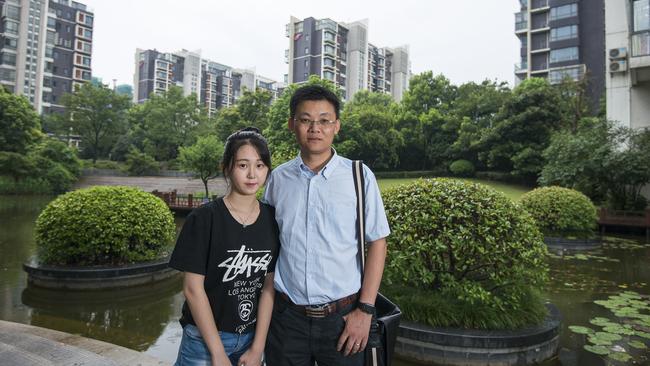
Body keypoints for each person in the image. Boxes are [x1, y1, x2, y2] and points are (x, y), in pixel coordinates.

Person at [263, 85, 390, 365]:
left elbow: (378, 242)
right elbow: (268, 247)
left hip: (343, 320)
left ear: (337, 126)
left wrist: (365, 311)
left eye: (324, 120)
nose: (314, 128)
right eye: (305, 119)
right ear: (292, 125)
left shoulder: (359, 176)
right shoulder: (277, 180)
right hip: (286, 321)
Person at [170, 127, 279, 366]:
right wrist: (217, 353)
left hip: (251, 340)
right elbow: (192, 289)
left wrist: (258, 347)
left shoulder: (272, 219)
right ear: (227, 168)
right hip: (203, 343)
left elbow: (269, 287)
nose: (252, 174)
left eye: (260, 165)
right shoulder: (204, 218)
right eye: (243, 165)